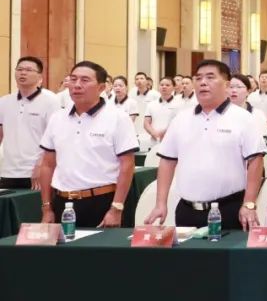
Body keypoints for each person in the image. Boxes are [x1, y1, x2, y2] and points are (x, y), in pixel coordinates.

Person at [145, 61, 266, 230]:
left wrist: (249, 204)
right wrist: (160, 203)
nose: (203, 82)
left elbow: (255, 161)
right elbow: (167, 161)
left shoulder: (243, 118)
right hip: (187, 210)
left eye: (210, 77)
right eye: (198, 78)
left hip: (228, 209)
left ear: (226, 85)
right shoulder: (181, 119)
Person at [37, 61, 138, 227]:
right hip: (62, 203)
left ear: (101, 87)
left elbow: (127, 165)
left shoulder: (118, 118)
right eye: (73, 79)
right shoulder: (57, 118)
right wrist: (47, 208)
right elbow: (47, 164)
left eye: (85, 80)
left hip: (102, 201)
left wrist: (116, 208)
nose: (77, 85)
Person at [0, 57, 61, 188]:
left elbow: (55, 138)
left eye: (28, 70)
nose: (23, 73)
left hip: (36, 172)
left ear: (40, 76)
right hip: (7, 172)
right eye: (20, 69)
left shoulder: (51, 101)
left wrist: (41, 165)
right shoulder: (4, 101)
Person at [228, 73, 267, 139]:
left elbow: (260, 139)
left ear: (248, 91)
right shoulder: (219, 113)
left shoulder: (257, 114)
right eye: (231, 87)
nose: (234, 90)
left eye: (239, 87)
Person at [143, 77, 183, 144]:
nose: (164, 87)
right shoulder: (151, 104)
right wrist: (154, 134)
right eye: (162, 85)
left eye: (167, 85)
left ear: (173, 87)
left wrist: (163, 133)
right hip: (155, 140)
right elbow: (146, 123)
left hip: (172, 140)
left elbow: (179, 123)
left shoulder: (179, 104)